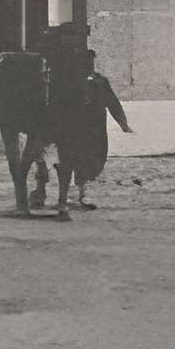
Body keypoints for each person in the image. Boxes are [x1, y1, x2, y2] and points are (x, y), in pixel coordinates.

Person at [45, 24, 132, 211]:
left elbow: (112, 102)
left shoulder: (99, 81)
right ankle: (62, 199)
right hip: (72, 126)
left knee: (88, 161)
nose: (88, 66)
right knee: (67, 159)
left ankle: (82, 194)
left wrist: (123, 123)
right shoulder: (65, 80)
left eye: (90, 63)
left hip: (93, 130)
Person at [0, 43, 61, 219]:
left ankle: (24, 200)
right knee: (30, 157)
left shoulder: (2, 78)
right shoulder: (36, 77)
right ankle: (31, 194)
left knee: (17, 160)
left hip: (13, 116)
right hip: (28, 117)